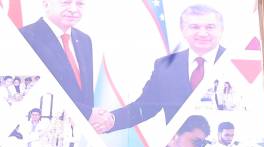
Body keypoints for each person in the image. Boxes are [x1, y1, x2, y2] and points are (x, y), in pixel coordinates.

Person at [90, 4, 226, 132]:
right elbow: (145, 107)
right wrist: (111, 120)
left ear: (221, 30)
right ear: (183, 31)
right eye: (194, 27)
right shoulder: (166, 67)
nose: (202, 33)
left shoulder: (234, 64)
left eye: (210, 27)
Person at [20, 0, 95, 118]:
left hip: (83, 126)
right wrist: (86, 113)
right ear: (46, 4)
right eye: (66, 2)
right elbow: (34, 91)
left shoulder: (84, 40)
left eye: (79, 3)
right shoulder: (26, 37)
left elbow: (86, 94)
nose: (73, 9)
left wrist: (92, 116)